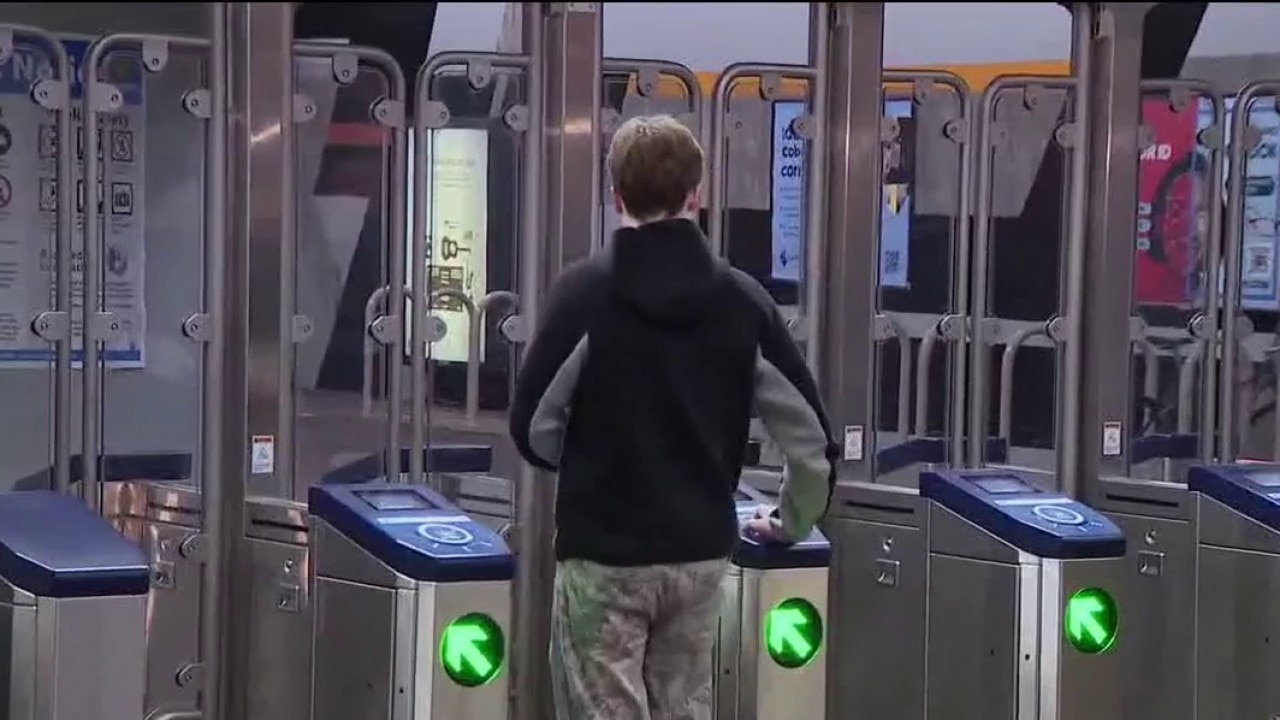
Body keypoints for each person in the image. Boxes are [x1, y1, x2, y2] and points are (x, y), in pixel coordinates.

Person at [509, 114, 837, 720]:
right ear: (696, 195)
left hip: (604, 554)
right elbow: (810, 442)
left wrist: (592, 461)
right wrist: (792, 520)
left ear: (617, 198)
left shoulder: (583, 295)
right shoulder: (743, 301)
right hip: (699, 554)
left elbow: (532, 426)